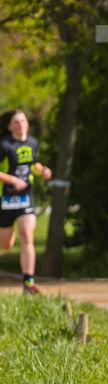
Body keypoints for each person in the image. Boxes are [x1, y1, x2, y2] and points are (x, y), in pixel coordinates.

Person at [0, 109, 52, 294]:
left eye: (23, 121)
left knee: (27, 236)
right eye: (16, 122)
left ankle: (29, 282)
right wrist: (13, 180)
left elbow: (32, 165)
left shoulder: (32, 143)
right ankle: (9, 233)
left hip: (26, 197)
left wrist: (42, 170)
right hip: (5, 199)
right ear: (9, 126)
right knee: (6, 244)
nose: (21, 125)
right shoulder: (4, 145)